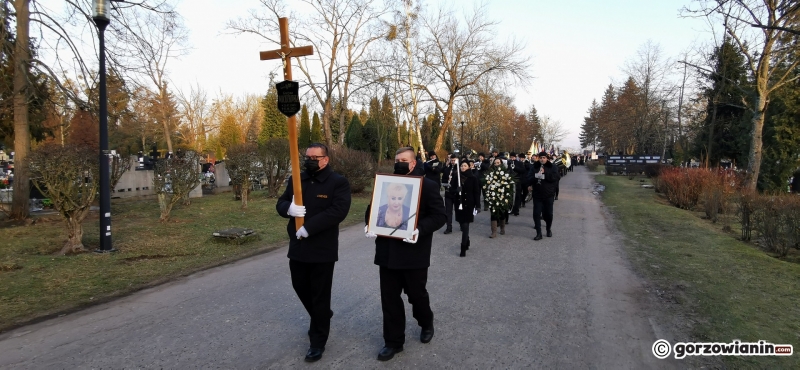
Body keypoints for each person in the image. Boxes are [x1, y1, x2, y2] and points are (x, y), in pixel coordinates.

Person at [365, 147, 447, 361]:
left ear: (413, 163)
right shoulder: (386, 184)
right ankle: (393, 342)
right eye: (396, 159)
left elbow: (440, 216)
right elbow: (373, 209)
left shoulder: (427, 186)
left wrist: (419, 229)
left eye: (403, 160)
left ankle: (426, 321)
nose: (398, 163)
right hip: (388, 254)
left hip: (414, 254)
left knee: (416, 296)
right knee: (389, 299)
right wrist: (370, 224)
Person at [275, 143, 351, 362]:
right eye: (307, 157)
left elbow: (338, 211)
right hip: (298, 245)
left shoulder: (338, 182)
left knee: (320, 294)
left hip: (322, 247)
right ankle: (322, 315)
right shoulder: (297, 179)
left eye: (314, 157)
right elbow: (281, 202)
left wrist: (310, 227)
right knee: (299, 286)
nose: (309, 160)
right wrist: (288, 209)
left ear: (325, 159)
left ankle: (318, 341)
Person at [527, 151, 561, 240]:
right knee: (536, 214)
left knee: (548, 214)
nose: (542, 159)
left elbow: (556, 177)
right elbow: (529, 178)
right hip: (537, 194)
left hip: (548, 194)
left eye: (544, 158)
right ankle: (539, 233)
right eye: (541, 158)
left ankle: (548, 229)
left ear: (547, 158)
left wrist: (545, 173)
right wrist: (536, 176)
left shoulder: (552, 166)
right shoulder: (535, 166)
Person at [454, 159, 481, 257]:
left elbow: (476, 192)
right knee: (462, 225)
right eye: (461, 166)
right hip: (459, 204)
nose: (463, 167)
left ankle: (463, 247)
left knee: (465, 225)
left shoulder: (473, 178)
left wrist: (478, 205)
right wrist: (456, 190)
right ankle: (467, 239)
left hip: (469, 204)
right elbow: (451, 189)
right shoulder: (456, 177)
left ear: (469, 167)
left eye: (465, 166)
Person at [482, 158, 514, 238]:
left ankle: (502, 228)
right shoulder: (490, 173)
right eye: (495, 163)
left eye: (498, 163)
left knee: (502, 213)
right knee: (493, 213)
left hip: (502, 196)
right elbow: (486, 183)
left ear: (501, 163)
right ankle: (494, 232)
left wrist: (506, 194)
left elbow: (509, 185)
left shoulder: (505, 172)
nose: (496, 164)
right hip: (493, 195)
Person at [441, 155, 459, 234]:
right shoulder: (447, 169)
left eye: (454, 160)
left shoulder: (459, 169)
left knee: (458, 210)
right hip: (448, 193)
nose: (453, 162)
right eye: (452, 160)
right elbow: (443, 179)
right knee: (448, 211)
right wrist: (445, 184)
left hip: (456, 193)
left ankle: (461, 224)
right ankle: (449, 227)